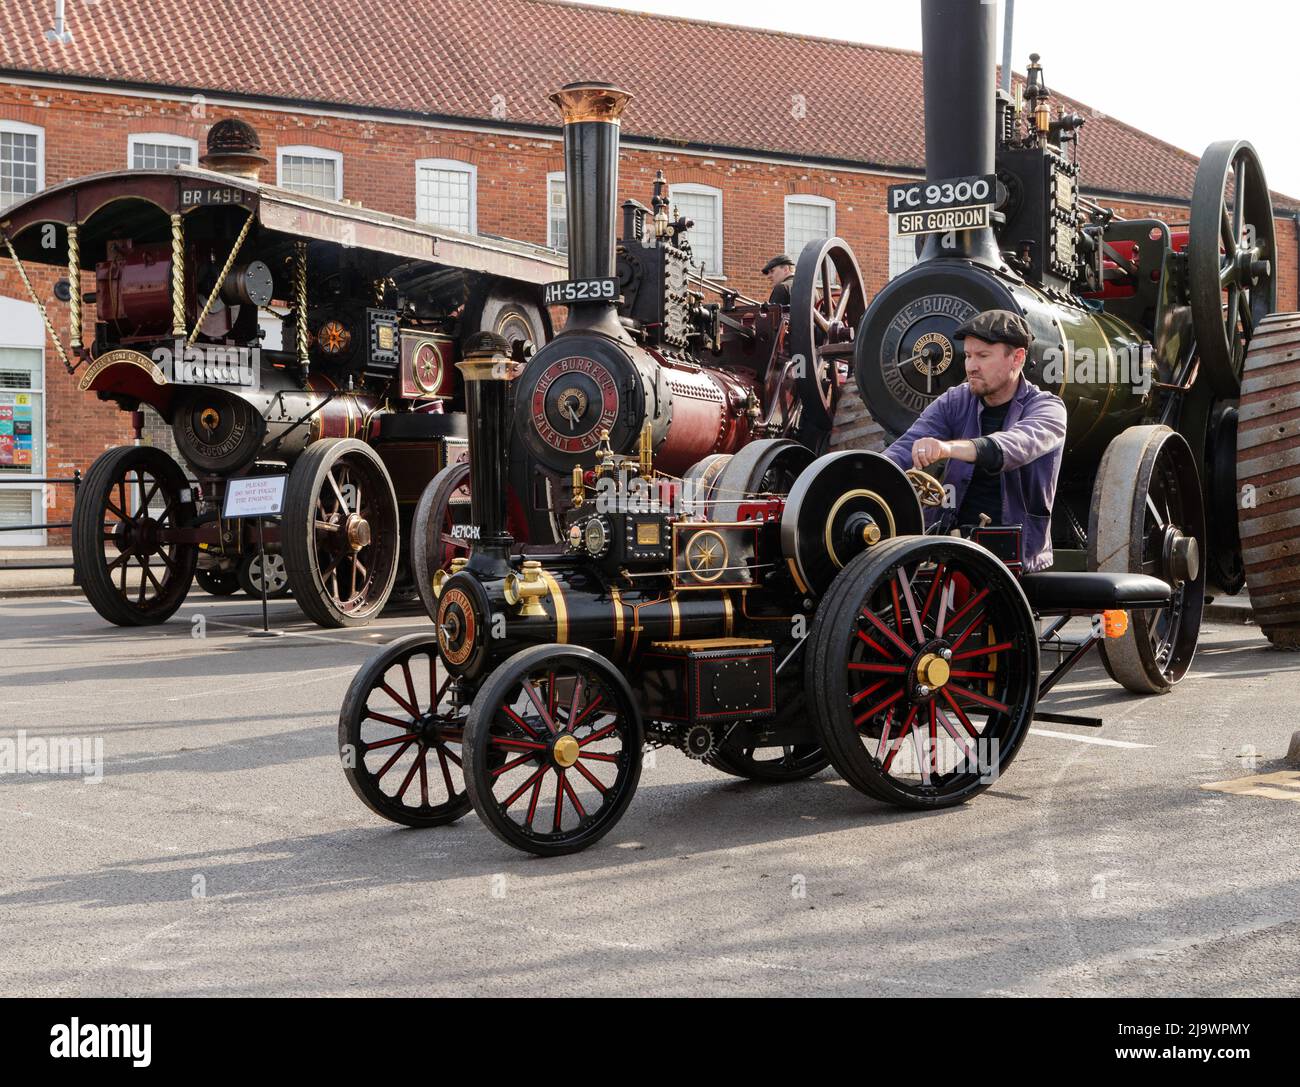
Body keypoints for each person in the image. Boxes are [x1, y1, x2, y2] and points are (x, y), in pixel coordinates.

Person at [881, 309, 1067, 572]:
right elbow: (905, 447)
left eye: (983, 356)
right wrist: (870, 471)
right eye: (968, 355)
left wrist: (947, 448)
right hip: (949, 547)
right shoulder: (954, 400)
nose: (970, 366)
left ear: (1017, 358)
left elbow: (1012, 447)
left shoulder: (1048, 409)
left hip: (1015, 558)